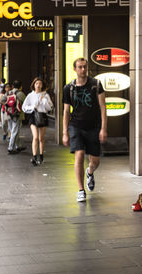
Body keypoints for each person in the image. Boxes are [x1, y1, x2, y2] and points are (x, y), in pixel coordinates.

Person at [62, 57, 107, 202]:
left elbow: (103, 107)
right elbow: (66, 111)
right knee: (79, 154)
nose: (83, 70)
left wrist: (103, 129)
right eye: (80, 67)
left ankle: (90, 171)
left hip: (94, 126)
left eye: (85, 67)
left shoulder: (96, 84)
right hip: (76, 126)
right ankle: (81, 190)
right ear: (74, 69)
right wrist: (64, 132)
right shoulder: (68, 88)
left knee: (95, 161)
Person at [22, 77, 54, 165]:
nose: (38, 85)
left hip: (42, 116)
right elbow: (24, 107)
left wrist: (44, 101)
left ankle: (41, 156)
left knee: (41, 138)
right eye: (36, 83)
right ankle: (34, 157)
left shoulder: (46, 95)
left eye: (40, 83)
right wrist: (32, 108)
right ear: (34, 85)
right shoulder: (30, 95)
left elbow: (50, 108)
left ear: (42, 85)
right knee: (35, 137)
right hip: (33, 116)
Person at [5, 80, 27, 154]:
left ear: (13, 86)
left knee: (13, 131)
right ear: (20, 87)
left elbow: (2, 100)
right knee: (15, 131)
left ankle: (18, 146)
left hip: (8, 114)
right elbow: (26, 102)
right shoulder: (20, 93)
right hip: (16, 115)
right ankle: (10, 148)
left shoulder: (8, 93)